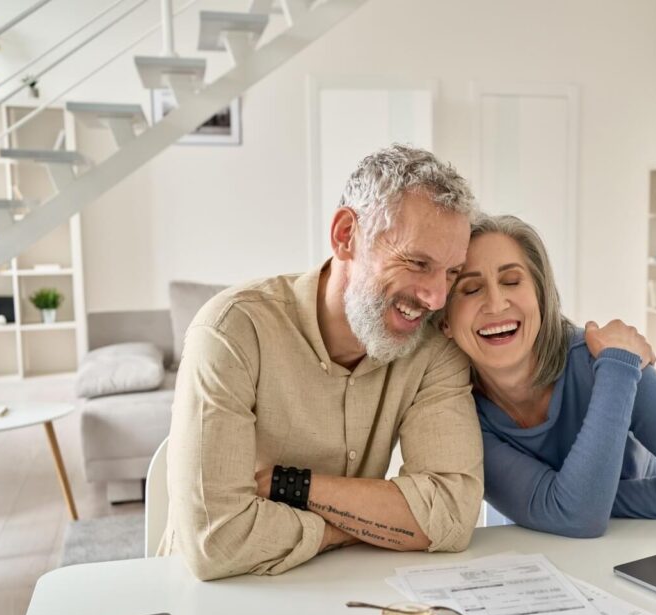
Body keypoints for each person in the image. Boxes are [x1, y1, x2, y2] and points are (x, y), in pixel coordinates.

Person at [159, 145, 484, 580]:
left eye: (450, 272)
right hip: (211, 597)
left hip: (336, 592)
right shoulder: (232, 330)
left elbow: (451, 513)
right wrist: (359, 527)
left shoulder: (433, 350)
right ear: (346, 234)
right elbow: (216, 541)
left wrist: (289, 486)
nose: (436, 297)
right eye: (417, 263)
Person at [441, 214, 656, 538]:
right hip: (540, 556)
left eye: (511, 281)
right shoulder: (456, 414)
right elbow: (576, 515)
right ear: (445, 323)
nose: (496, 303)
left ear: (540, 296)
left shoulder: (609, 362)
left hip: (645, 544)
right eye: (470, 289)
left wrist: (579, 499)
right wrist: (577, 501)